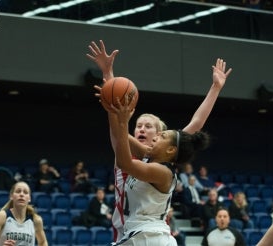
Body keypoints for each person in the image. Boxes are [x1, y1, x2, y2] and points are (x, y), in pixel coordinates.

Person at [87, 39, 232, 242]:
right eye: (138, 125)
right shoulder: (133, 150)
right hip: (125, 233)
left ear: (160, 136)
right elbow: (117, 127)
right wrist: (108, 77)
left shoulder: (163, 163)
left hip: (149, 233)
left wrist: (215, 88)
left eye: (149, 127)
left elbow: (195, 125)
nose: (142, 129)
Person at [99, 84, 212, 245]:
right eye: (139, 126)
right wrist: (112, 96)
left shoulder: (162, 170)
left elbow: (125, 160)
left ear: (170, 150)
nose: (156, 137)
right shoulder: (148, 156)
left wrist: (123, 122)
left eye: (161, 135)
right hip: (137, 233)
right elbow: (118, 133)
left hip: (149, 235)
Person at [0, 181, 48, 246]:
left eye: (25, 192)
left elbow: (43, 242)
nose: (21, 194)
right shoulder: (2, 216)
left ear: (29, 198)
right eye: (18, 191)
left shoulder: (36, 220)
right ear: (11, 196)